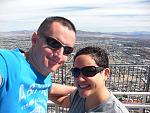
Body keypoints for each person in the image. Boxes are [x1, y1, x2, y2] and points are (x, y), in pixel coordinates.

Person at [0, 16, 76, 113]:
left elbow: (50, 88)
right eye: (54, 43)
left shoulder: (43, 74)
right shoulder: (8, 63)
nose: (59, 55)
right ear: (35, 39)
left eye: (67, 50)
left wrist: (83, 89)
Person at [49, 46, 129, 113]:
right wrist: (39, 88)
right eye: (76, 71)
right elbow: (62, 101)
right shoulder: (79, 95)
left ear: (106, 74)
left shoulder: (115, 110)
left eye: (89, 71)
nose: (80, 79)